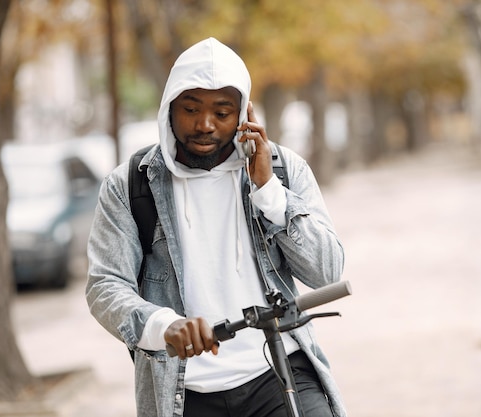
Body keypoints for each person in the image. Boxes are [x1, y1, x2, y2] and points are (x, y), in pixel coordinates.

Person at [86, 37, 346, 417]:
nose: (204, 124)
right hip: (183, 390)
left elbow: (327, 271)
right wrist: (164, 325)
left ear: (243, 114)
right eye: (190, 109)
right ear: (169, 109)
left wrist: (269, 192)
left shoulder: (283, 170)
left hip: (279, 369)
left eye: (222, 113)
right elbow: (104, 286)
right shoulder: (130, 186)